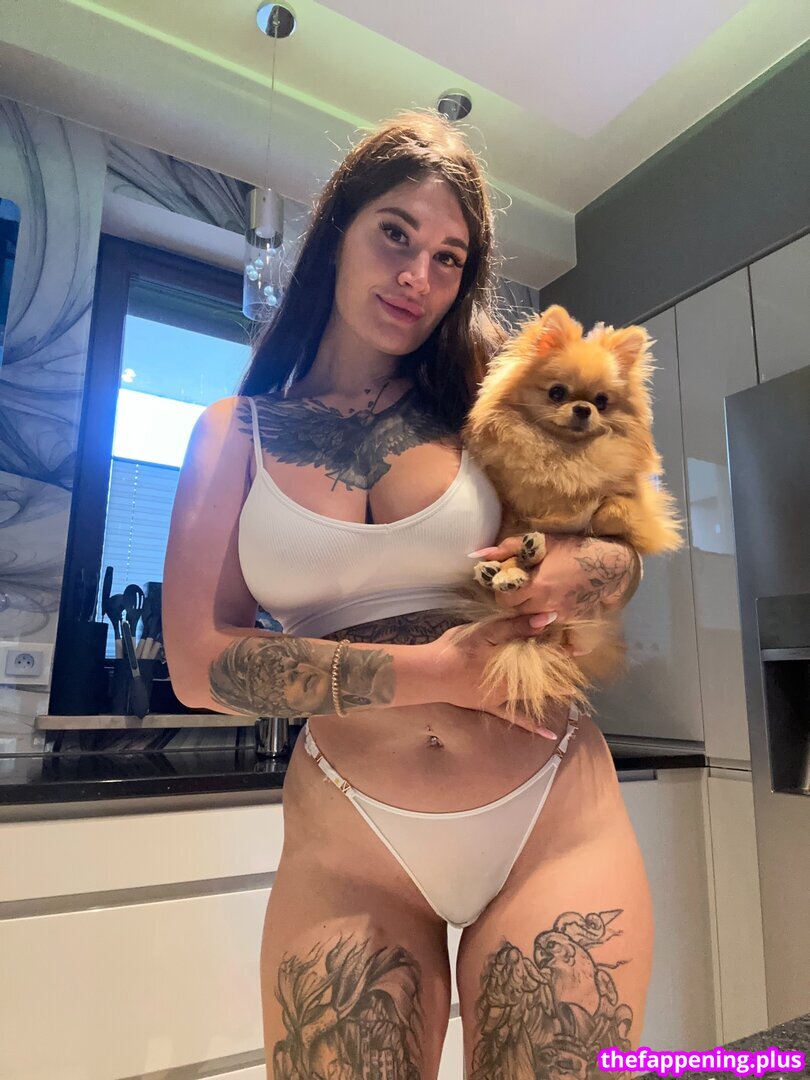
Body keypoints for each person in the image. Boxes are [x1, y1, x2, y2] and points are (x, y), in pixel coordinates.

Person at [163, 111, 652, 1080]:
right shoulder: (233, 433)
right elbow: (198, 664)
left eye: (448, 258)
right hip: (354, 849)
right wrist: (439, 671)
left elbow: (621, 553)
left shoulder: (492, 403)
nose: (417, 276)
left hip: (551, 815)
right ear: (336, 230)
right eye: (395, 234)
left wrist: (575, 570)